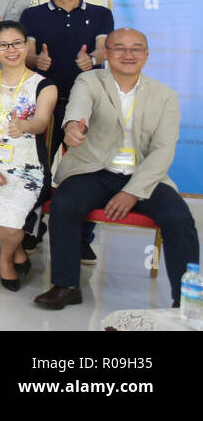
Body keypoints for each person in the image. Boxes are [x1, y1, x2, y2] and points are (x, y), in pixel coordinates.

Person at [35, 28, 200, 310]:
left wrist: (132, 192)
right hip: (93, 169)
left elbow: (163, 150)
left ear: (146, 55)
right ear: (107, 53)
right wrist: (73, 126)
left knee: (179, 217)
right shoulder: (89, 80)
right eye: (119, 48)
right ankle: (66, 285)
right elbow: (78, 107)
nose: (128, 54)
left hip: (144, 175)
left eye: (136, 49)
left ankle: (185, 300)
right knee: (64, 203)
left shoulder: (165, 96)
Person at [19, 0, 112, 255]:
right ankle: (32, 228)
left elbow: (103, 49)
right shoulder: (33, 16)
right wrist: (36, 60)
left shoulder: (100, 13)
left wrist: (94, 59)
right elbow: (28, 53)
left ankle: (83, 238)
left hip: (87, 105)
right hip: (46, 103)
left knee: (85, 172)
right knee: (36, 167)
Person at [0, 20, 57, 292]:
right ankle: (18, 252)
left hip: (28, 166)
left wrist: (25, 125)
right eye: (3, 45)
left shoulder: (44, 85)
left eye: (17, 43)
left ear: (26, 45)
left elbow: (41, 122)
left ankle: (5, 258)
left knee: (12, 217)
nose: (12, 49)